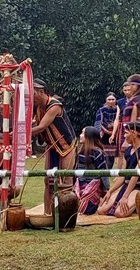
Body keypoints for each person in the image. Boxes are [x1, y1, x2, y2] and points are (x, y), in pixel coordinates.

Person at [32, 80, 77, 215]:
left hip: (66, 146)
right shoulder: (39, 107)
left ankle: (67, 215)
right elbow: (34, 123)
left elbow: (41, 127)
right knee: (48, 181)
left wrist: (20, 133)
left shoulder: (55, 106)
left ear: (41, 92)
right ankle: (47, 213)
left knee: (66, 181)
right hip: (52, 147)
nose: (31, 98)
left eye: (33, 94)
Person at [96, 122, 140, 218]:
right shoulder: (128, 151)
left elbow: (135, 175)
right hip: (127, 186)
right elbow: (123, 175)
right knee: (101, 210)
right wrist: (110, 191)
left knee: (119, 213)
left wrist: (125, 196)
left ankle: (138, 203)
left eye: (126, 133)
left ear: (134, 134)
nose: (124, 136)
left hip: (138, 188)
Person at [75, 126, 109, 215]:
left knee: (87, 209)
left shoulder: (98, 153)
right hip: (81, 185)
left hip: (94, 186)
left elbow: (104, 172)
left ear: (89, 137)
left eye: (83, 133)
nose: (80, 135)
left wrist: (107, 190)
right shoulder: (80, 152)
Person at [94, 93, 121, 170]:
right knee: (104, 152)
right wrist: (105, 131)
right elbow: (98, 122)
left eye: (113, 99)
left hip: (116, 133)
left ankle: (109, 170)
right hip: (103, 134)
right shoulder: (101, 110)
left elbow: (120, 120)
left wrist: (113, 132)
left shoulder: (118, 110)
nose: (111, 101)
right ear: (106, 100)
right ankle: (103, 168)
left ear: (116, 100)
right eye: (109, 99)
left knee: (112, 153)